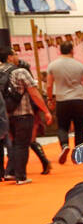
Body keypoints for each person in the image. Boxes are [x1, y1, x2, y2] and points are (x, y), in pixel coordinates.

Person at [1, 46, 53, 184]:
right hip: (23, 113)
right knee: (22, 145)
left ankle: (10, 172)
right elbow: (34, 93)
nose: (18, 57)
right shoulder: (20, 72)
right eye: (16, 54)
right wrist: (46, 111)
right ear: (9, 57)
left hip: (6, 115)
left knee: (13, 144)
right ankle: (21, 176)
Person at [45, 40, 83, 163]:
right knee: (79, 127)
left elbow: (49, 85)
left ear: (59, 51)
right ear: (72, 50)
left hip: (62, 100)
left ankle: (64, 145)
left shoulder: (52, 66)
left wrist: (50, 99)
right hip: (78, 99)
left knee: (62, 126)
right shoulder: (79, 65)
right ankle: (78, 154)